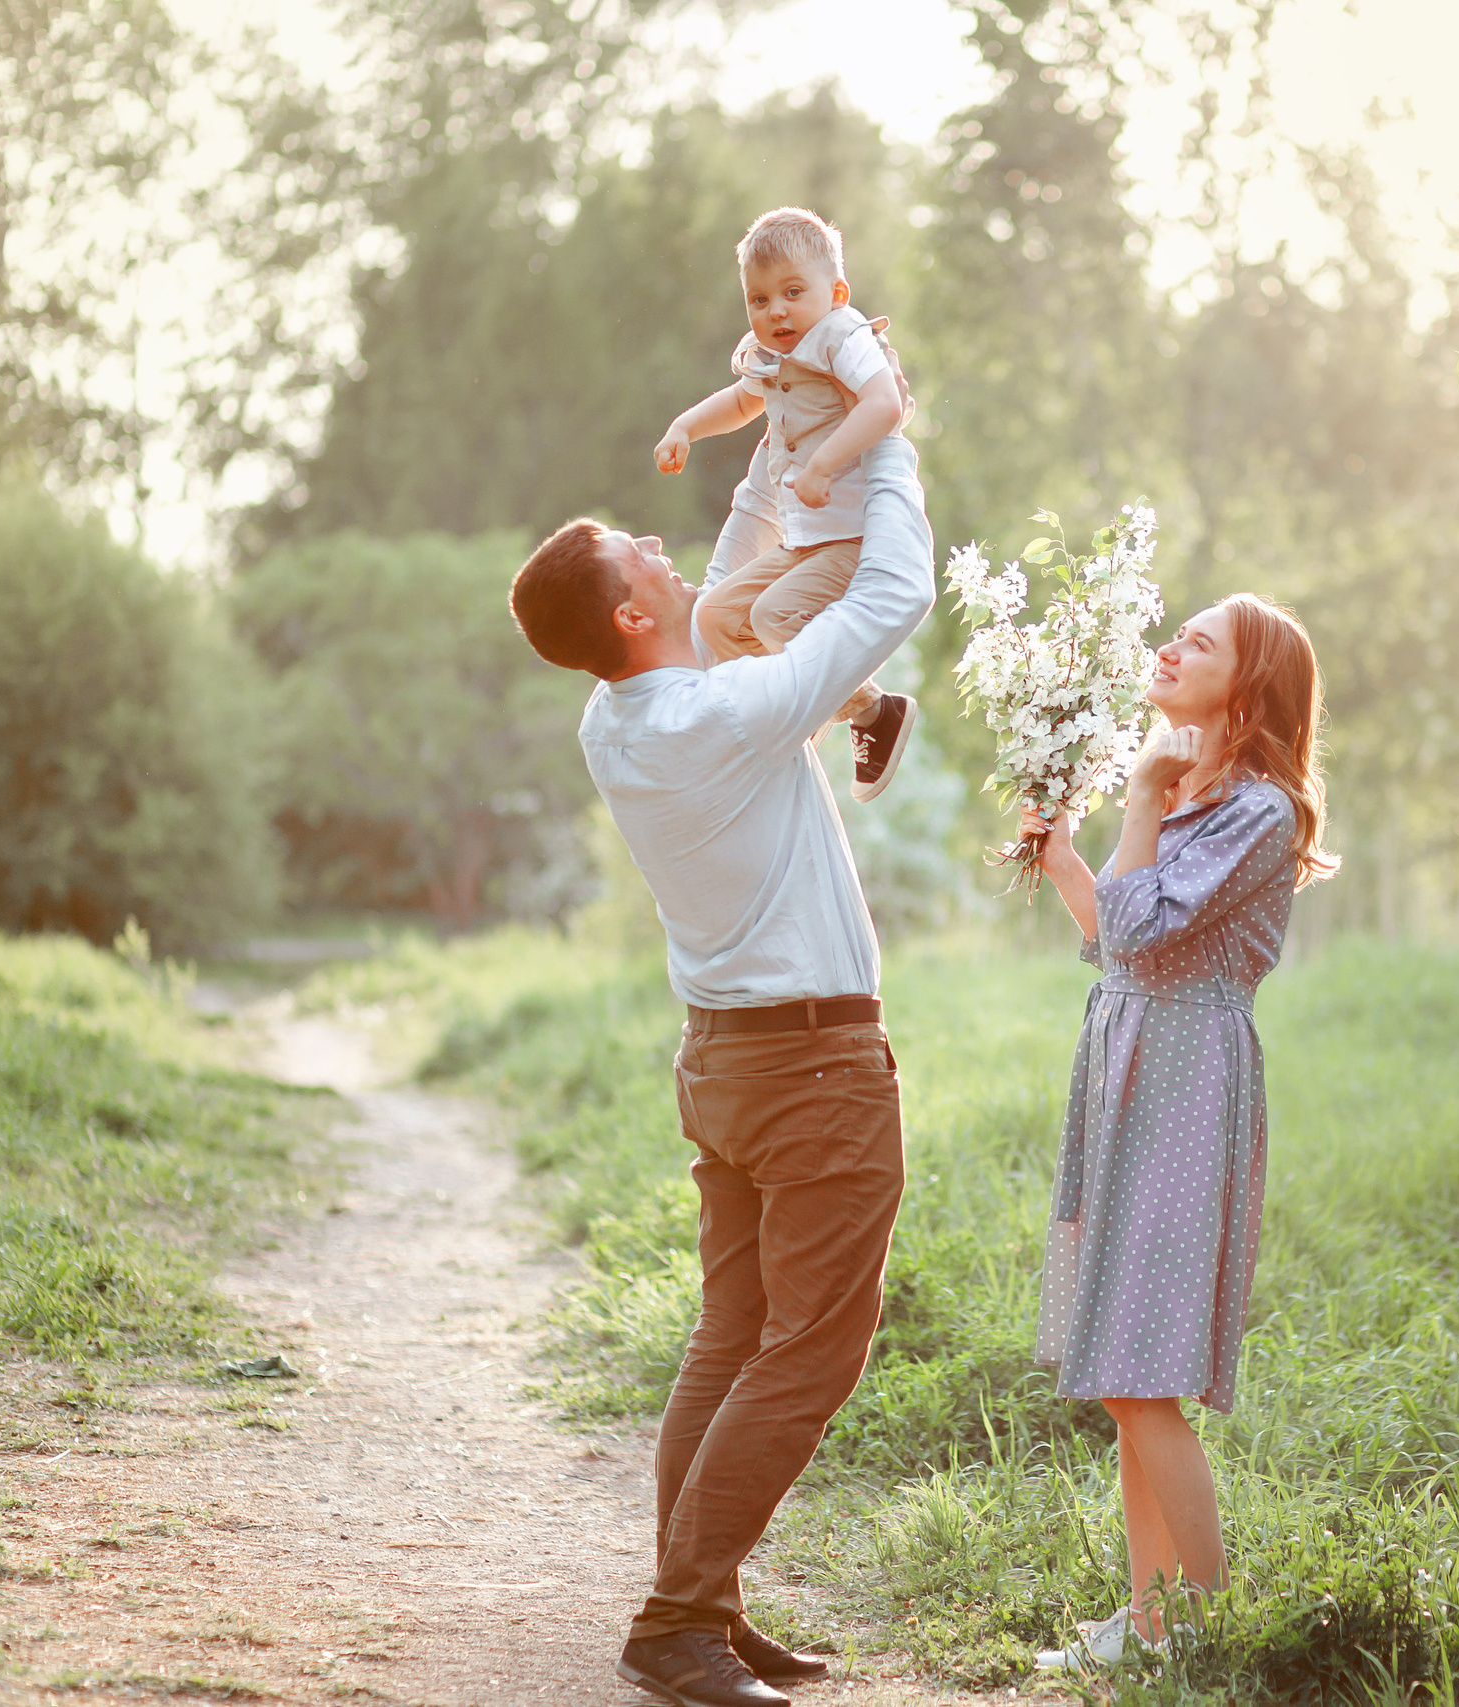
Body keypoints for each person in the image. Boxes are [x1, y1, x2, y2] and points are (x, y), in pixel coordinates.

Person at [506, 431, 934, 1707]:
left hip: (728, 1066)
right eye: (633, 546)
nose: (657, 537)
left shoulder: (623, 713)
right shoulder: (729, 712)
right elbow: (893, 595)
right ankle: (677, 1616)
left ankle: (703, 1602)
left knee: (732, 1334)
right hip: (810, 1072)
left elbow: (739, 560)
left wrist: (799, 426)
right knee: (813, 1346)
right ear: (635, 610)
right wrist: (888, 444)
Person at [1017, 592, 1339, 1670]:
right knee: (1125, 1376)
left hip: (1186, 1077)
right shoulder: (1194, 797)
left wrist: (1140, 801)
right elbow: (1118, 941)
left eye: (1197, 643)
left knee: (1148, 1374)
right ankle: (1147, 1623)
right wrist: (1064, 854)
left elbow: (1147, 927)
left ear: (1244, 688)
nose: (1169, 647)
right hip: (1126, 1057)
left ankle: (1201, 1629)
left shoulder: (1259, 811)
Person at [651, 205, 918, 802]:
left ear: (836, 291)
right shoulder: (769, 353)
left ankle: (837, 722)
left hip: (851, 538)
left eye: (793, 293)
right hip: (804, 542)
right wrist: (684, 427)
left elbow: (884, 405)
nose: (776, 311)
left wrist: (823, 464)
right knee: (716, 617)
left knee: (775, 618)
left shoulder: (841, 337)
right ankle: (845, 713)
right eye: (759, 299)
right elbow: (744, 402)